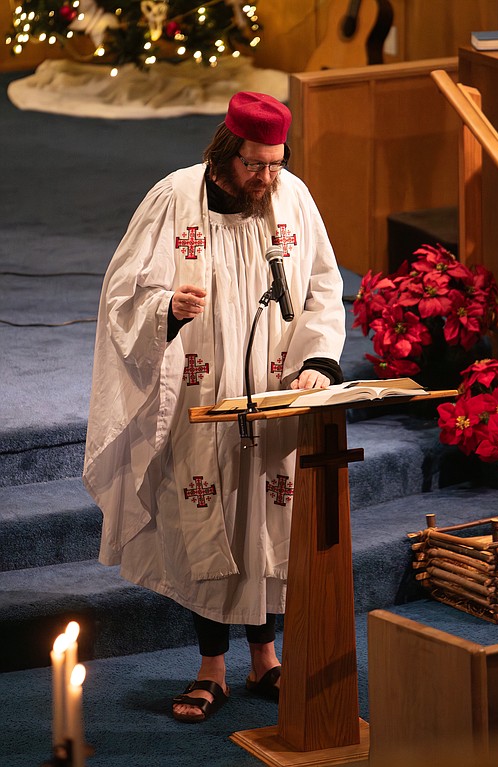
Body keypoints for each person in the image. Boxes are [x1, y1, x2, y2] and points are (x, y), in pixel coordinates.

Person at [83, 91, 346, 723]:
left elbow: (323, 287)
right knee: (207, 517)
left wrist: (315, 363)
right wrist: (166, 311)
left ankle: (266, 658)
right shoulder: (175, 198)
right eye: (255, 165)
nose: (266, 178)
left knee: (270, 520)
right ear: (227, 154)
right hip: (201, 395)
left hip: (278, 394)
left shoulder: (294, 198)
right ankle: (211, 669)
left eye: (276, 163)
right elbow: (123, 295)